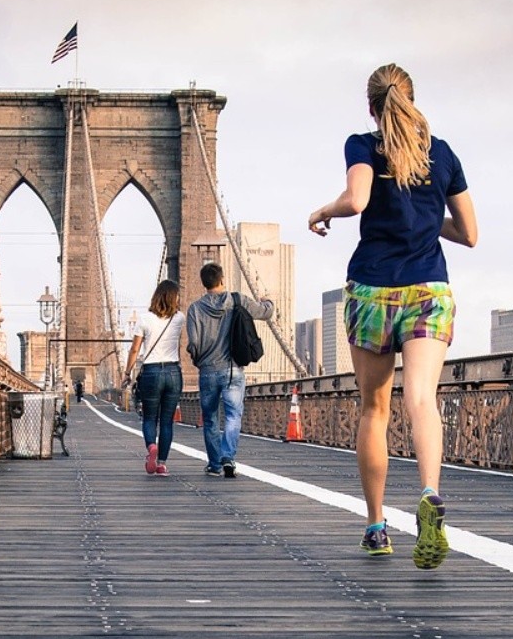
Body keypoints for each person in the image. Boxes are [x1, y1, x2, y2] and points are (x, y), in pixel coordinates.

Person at [308, 63, 477, 569]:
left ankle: (377, 526)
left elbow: (357, 199)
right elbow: (469, 233)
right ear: (411, 97)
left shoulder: (362, 144)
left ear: (371, 107)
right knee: (422, 399)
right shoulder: (442, 153)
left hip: (374, 290)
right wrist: (427, 219)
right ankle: (429, 492)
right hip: (429, 287)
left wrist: (322, 211)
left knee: (374, 410)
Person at [185, 261, 273, 478]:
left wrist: (199, 361)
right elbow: (265, 313)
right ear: (222, 279)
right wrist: (269, 301)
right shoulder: (237, 300)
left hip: (207, 371)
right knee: (233, 415)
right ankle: (228, 457)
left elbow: (193, 344)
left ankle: (215, 464)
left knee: (210, 417)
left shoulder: (195, 309)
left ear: (203, 283)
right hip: (233, 370)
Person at [124, 279, 185, 476]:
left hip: (150, 373)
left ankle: (151, 447)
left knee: (150, 417)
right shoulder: (179, 318)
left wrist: (127, 374)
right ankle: (162, 464)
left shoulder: (144, 319)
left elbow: (134, 349)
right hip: (173, 372)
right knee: (167, 421)